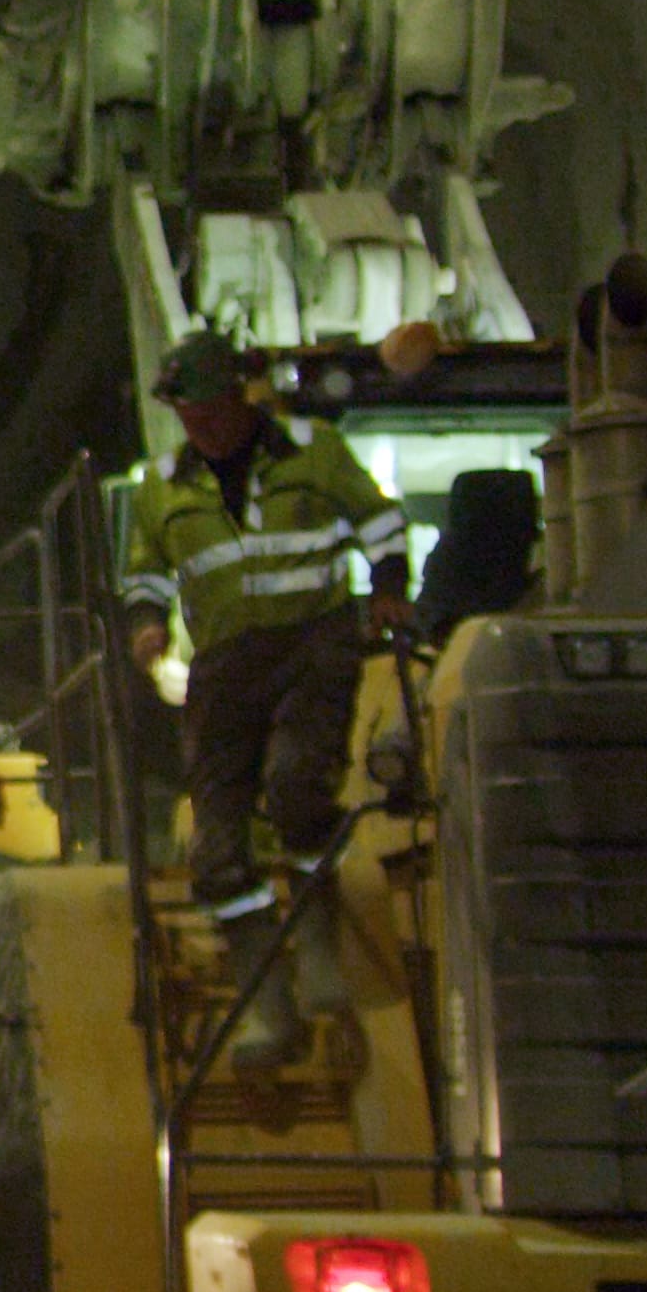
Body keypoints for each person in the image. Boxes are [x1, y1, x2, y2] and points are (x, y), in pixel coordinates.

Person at [119, 333, 404, 1059]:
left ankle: (318, 948)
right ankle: (270, 1008)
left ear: (237, 396)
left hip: (314, 646)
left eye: (210, 411)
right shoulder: (161, 485)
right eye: (187, 415)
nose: (200, 426)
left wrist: (389, 589)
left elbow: (379, 522)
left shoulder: (314, 451)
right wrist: (147, 623)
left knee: (296, 786)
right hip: (224, 668)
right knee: (216, 851)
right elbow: (144, 572)